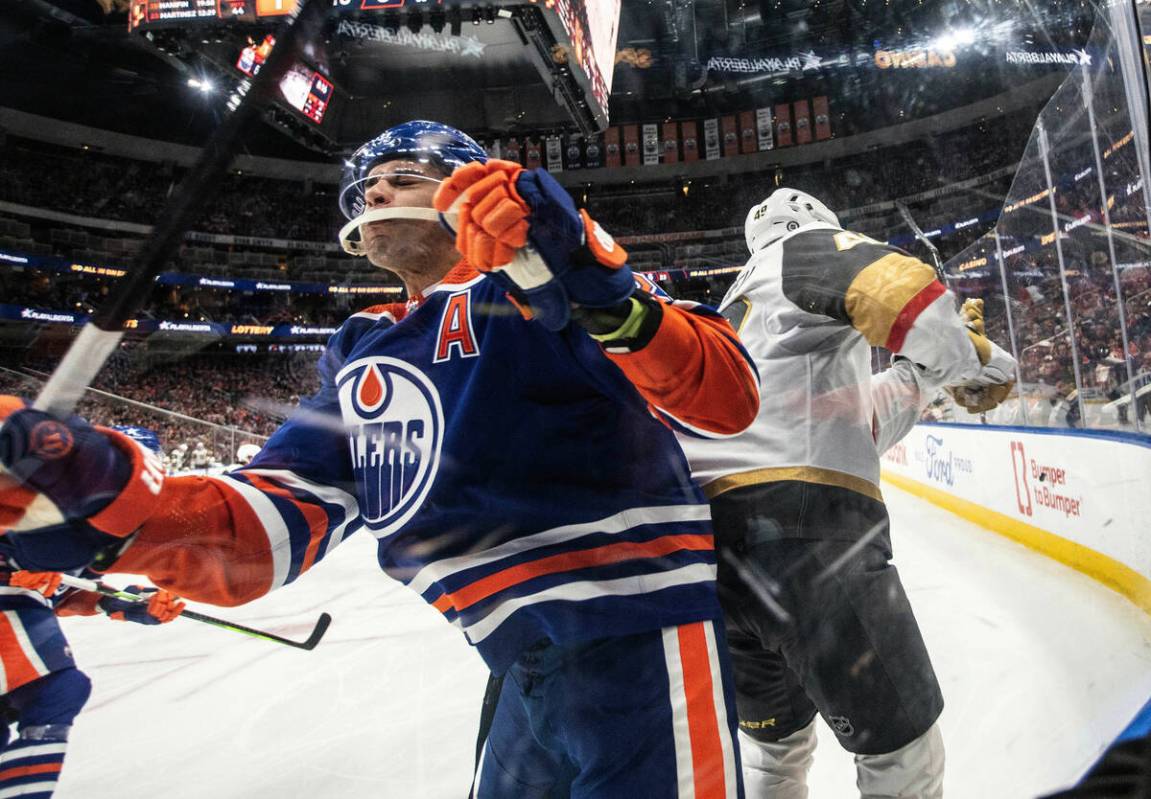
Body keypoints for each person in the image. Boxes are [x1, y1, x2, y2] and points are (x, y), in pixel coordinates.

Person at [0, 121, 760, 798]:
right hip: (516, 658)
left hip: (631, 623)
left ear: (467, 192)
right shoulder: (362, 346)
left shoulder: (539, 280)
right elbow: (266, 527)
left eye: (403, 174)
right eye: (367, 183)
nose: (377, 189)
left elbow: (726, 397)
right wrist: (102, 495)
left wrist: (591, 283)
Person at [676, 189, 1017, 798]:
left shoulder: (738, 317)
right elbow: (907, 296)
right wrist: (973, 362)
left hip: (718, 564)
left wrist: (932, 375)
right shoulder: (800, 252)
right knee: (902, 753)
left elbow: (848, 417)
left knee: (772, 755)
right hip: (807, 540)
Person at [0, 427, 184, 799]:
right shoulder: (36, 487)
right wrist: (20, 554)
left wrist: (126, 603)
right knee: (56, 690)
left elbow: (68, 592)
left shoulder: (96, 528)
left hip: (15, 605)